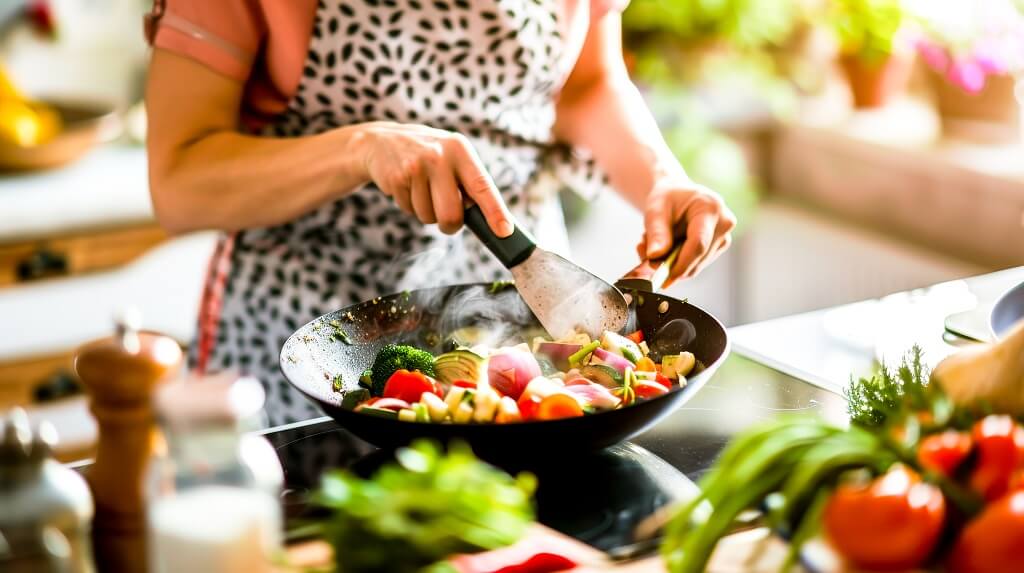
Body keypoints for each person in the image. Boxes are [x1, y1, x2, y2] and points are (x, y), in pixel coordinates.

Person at [144, 0, 736, 426]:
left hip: (527, 300)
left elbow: (587, 82)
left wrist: (663, 181)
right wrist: (360, 147)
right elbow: (180, 182)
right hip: (311, 336)